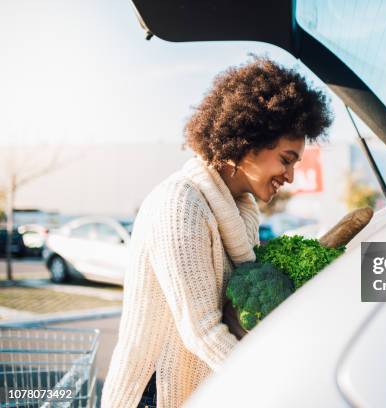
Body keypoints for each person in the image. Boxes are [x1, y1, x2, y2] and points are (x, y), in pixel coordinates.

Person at [101, 57, 332, 408]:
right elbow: (203, 331)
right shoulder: (181, 204)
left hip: (202, 388)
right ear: (249, 142)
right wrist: (279, 390)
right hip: (154, 393)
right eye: (286, 159)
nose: (289, 176)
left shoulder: (241, 211)